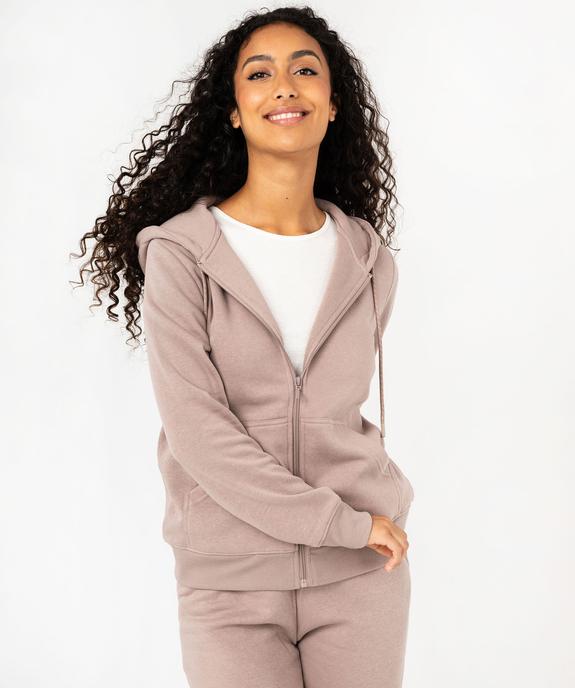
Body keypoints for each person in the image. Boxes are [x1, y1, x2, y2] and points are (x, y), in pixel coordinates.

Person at [71, 6, 415, 687]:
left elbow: (341, 416)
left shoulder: (368, 259)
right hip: (231, 583)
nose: (284, 85)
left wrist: (365, 523)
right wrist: (337, 523)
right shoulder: (181, 255)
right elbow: (198, 432)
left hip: (360, 576)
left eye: (305, 70)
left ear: (333, 104)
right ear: (232, 110)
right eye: (259, 74)